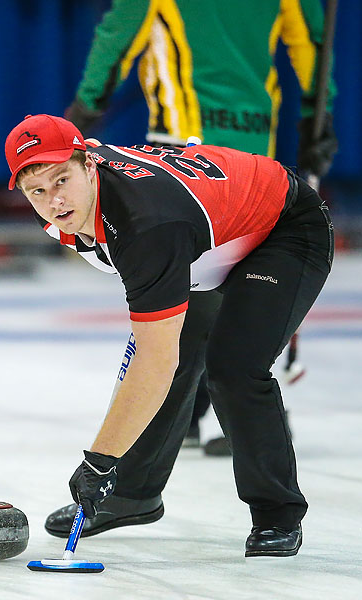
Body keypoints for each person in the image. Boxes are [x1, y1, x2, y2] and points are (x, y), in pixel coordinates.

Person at [5, 114, 332, 556]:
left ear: (88, 164)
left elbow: (153, 363)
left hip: (283, 227)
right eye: (37, 192)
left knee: (233, 368)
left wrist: (99, 461)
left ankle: (277, 514)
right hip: (205, 239)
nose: (54, 201)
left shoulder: (146, 227)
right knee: (167, 354)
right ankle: (132, 495)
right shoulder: (73, 207)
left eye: (61, 179)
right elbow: (156, 358)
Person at [64, 1, 338, 456]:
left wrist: (83, 111)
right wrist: (319, 118)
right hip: (251, 147)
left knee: (177, 289)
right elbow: (311, 46)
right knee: (246, 278)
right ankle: (213, 410)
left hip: (183, 150)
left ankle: (188, 418)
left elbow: (119, 35)